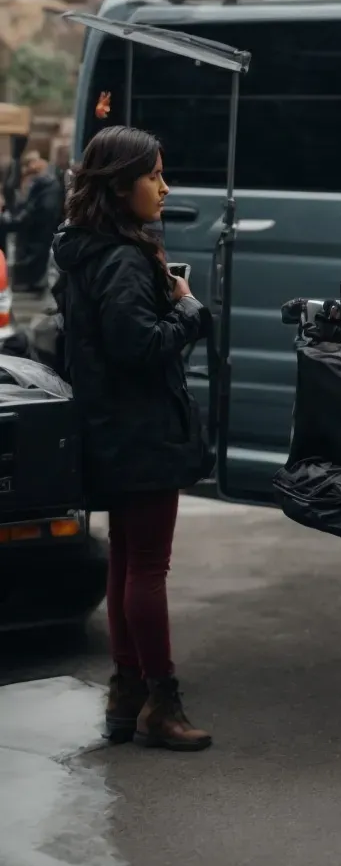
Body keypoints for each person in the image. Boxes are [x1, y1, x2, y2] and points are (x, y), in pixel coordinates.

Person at [52, 126, 214, 751]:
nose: (165, 187)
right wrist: (188, 310)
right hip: (139, 432)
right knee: (146, 568)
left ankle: (127, 693)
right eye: (154, 176)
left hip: (110, 430)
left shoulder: (84, 248)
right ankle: (160, 702)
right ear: (120, 186)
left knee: (126, 560)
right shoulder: (120, 257)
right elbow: (137, 344)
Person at [2, 149, 63, 315]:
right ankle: (29, 282)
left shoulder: (46, 182)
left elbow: (41, 207)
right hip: (38, 225)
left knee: (35, 253)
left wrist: (23, 217)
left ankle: (31, 284)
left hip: (40, 226)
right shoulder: (44, 181)